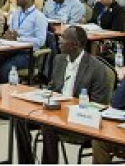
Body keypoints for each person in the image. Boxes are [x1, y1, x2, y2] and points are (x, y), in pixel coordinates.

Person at [26, 25, 114, 163]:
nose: (59, 40)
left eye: (64, 38)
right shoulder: (59, 60)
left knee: (48, 125)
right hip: (55, 112)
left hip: (78, 120)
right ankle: (26, 161)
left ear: (75, 45)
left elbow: (99, 105)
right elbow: (53, 88)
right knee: (20, 119)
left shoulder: (97, 68)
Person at [0, 0, 48, 83]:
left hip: (28, 54)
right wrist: (7, 36)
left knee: (6, 68)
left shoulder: (39, 17)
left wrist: (19, 39)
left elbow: (40, 41)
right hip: (11, 49)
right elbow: (12, 32)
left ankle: (7, 95)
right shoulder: (16, 13)